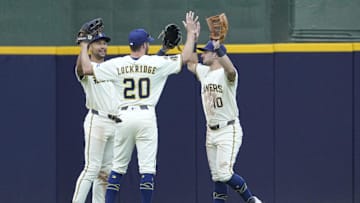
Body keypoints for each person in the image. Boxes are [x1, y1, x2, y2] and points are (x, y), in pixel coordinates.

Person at [76, 11, 199, 203]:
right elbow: (184, 57)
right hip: (144, 116)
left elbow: (88, 68)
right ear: (145, 45)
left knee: (115, 169)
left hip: (122, 118)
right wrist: (191, 34)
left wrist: (83, 43)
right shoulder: (154, 62)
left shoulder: (117, 64)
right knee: (146, 169)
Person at [187, 36, 263, 202]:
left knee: (224, 173)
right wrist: (192, 37)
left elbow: (231, 71)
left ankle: (251, 200)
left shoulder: (226, 74)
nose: (202, 55)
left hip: (228, 129)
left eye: (205, 52)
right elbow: (191, 64)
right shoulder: (205, 72)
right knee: (217, 177)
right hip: (211, 131)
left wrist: (219, 48)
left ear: (215, 55)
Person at [72, 32, 121, 203]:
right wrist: (83, 45)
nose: (103, 46)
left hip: (115, 122)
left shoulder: (111, 67)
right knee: (91, 168)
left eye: (105, 43)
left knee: (105, 172)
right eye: (98, 43)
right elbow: (80, 70)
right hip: (97, 120)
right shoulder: (87, 66)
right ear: (90, 47)